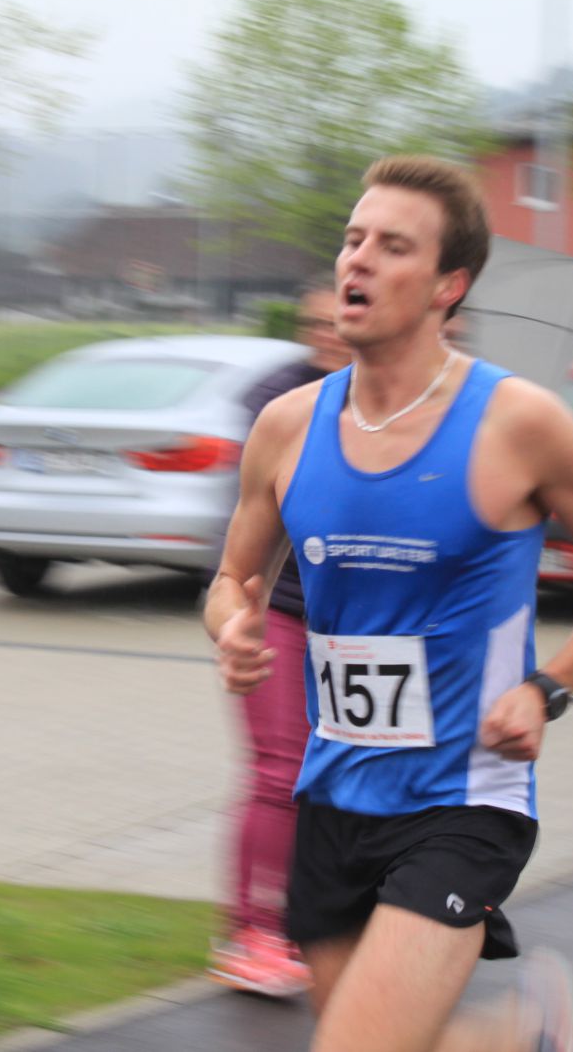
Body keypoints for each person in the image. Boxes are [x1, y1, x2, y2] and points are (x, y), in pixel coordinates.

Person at [205, 155, 573, 1052]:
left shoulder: (515, 422)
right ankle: (519, 1035)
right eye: (352, 238)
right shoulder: (289, 426)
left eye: (391, 246)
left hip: (463, 799)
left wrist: (548, 686)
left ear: (448, 285)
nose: (358, 260)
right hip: (333, 793)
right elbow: (231, 579)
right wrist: (231, 626)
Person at [207, 275, 350, 997]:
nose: (328, 333)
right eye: (314, 322)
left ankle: (299, 920)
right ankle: (246, 931)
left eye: (339, 320)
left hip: (350, 627)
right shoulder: (282, 404)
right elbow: (249, 532)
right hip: (280, 610)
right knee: (277, 770)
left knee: (327, 782)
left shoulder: (389, 403)